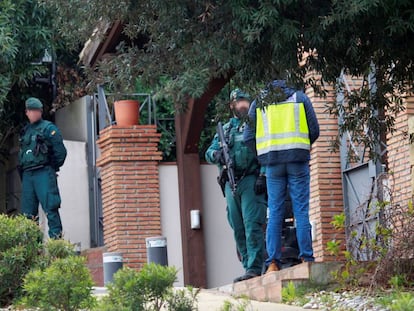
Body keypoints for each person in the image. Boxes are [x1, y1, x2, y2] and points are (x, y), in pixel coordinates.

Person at [244, 80, 320, 272]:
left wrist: (263, 154)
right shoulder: (300, 98)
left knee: (275, 211)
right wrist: (302, 148)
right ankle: (307, 259)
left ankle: (273, 264)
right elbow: (314, 129)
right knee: (301, 210)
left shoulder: (258, 103)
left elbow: (247, 137)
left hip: (272, 164)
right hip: (297, 161)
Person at [205, 88, 267, 282]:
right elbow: (209, 152)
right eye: (237, 102)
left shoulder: (256, 124)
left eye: (244, 101)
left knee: (252, 224)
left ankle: (255, 267)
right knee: (238, 227)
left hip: (251, 179)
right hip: (232, 184)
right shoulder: (226, 129)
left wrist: (262, 176)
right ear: (232, 105)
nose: (241, 105)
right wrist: (216, 155)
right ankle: (247, 265)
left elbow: (266, 150)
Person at [18, 97, 67, 238]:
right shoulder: (25, 131)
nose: (33, 113)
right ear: (26, 112)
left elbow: (60, 152)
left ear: (40, 111)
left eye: (36, 110)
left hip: (43, 172)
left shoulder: (48, 128)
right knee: (28, 215)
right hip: (28, 175)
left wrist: (51, 167)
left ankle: (56, 246)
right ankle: (33, 252)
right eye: (30, 111)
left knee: (51, 209)